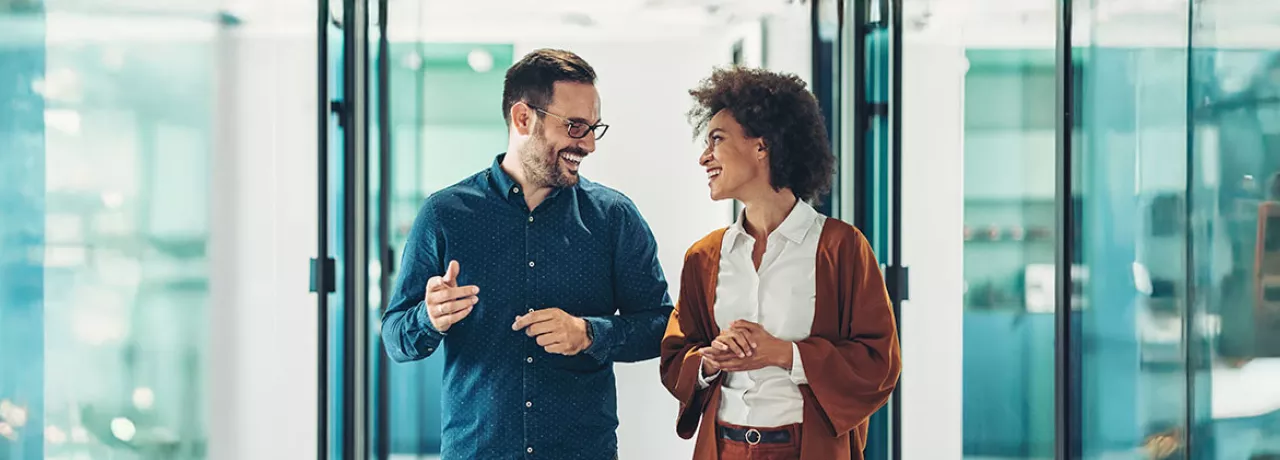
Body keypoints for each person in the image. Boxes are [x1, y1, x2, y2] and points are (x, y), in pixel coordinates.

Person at [382, 48, 674, 460]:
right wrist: (428, 318)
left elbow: (663, 326)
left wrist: (589, 334)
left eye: (593, 128)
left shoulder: (614, 217)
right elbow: (395, 337)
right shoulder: (445, 214)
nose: (587, 143)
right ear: (523, 118)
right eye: (575, 126)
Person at [659, 67, 902, 460]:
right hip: (723, 449)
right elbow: (674, 359)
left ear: (762, 146)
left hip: (807, 450)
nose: (705, 157)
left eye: (716, 140)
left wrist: (783, 353)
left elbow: (879, 364)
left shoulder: (841, 248)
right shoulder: (703, 257)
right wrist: (710, 360)